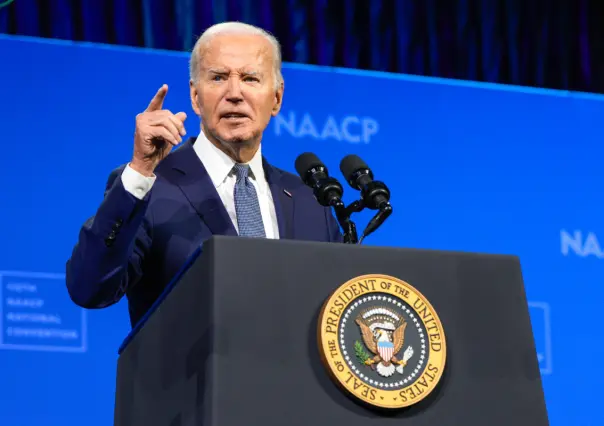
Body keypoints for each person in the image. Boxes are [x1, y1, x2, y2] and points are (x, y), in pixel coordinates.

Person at [65, 22, 342, 327]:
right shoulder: (150, 186)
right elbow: (89, 288)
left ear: (276, 98)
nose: (234, 93)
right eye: (218, 78)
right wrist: (140, 170)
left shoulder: (310, 202)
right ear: (195, 97)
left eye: (250, 78)